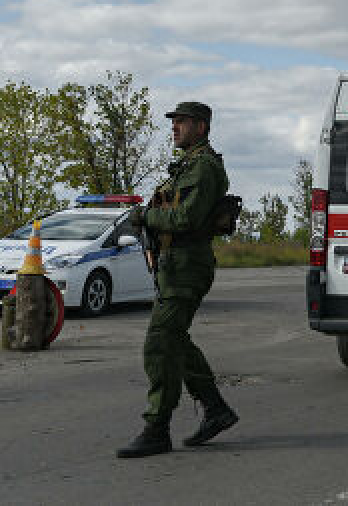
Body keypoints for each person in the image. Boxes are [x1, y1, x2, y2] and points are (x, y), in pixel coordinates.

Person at [117, 102, 237, 458]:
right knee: (175, 340)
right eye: (174, 122)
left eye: (181, 122)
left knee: (159, 342)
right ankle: (216, 409)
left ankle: (157, 427)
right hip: (174, 265)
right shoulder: (185, 166)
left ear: (201, 127)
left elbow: (185, 217)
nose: (175, 128)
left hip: (188, 264)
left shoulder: (204, 167)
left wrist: (145, 215)